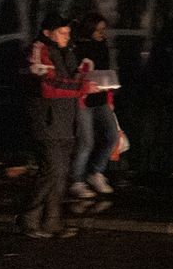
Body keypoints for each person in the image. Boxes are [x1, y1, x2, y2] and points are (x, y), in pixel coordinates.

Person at [19, 12, 93, 239]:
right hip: (46, 122)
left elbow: (72, 80)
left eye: (68, 33)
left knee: (61, 175)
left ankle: (52, 222)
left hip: (64, 121)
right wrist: (82, 87)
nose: (66, 36)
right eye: (62, 32)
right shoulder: (39, 50)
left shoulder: (67, 51)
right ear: (47, 32)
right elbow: (48, 85)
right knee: (51, 171)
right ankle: (29, 218)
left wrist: (87, 75)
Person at [67, 12, 121, 201]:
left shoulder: (103, 47)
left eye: (103, 30)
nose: (101, 33)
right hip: (84, 100)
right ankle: (77, 181)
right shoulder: (78, 48)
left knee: (112, 136)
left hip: (101, 99)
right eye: (98, 30)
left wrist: (110, 98)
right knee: (86, 142)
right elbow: (73, 74)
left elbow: (107, 72)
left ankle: (96, 172)